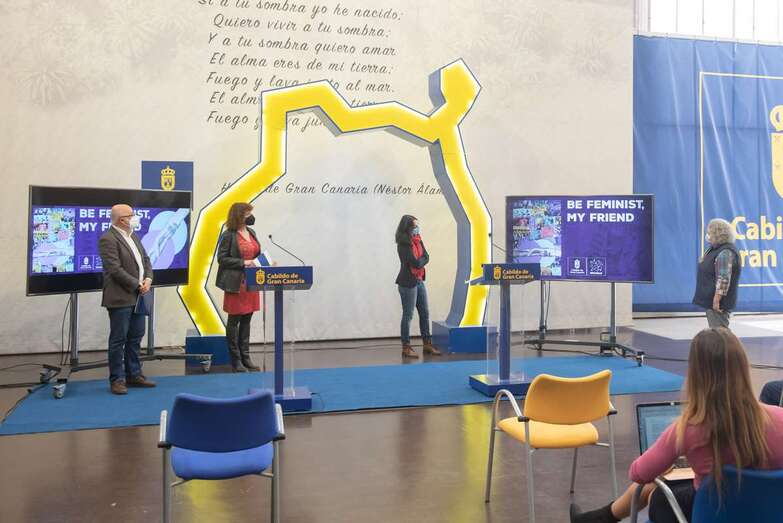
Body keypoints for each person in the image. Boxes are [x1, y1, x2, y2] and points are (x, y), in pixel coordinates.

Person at [570, 327, 783, 523]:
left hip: (713, 512)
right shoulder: (779, 417)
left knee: (657, 491)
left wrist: (677, 462)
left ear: (696, 374)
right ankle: (597, 519)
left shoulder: (689, 428)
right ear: (742, 368)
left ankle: (599, 519)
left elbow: (638, 473)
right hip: (768, 512)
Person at [99, 204, 157, 395]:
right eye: (131, 215)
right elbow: (114, 269)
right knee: (118, 340)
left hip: (139, 296)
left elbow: (146, 260)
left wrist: (148, 279)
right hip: (120, 297)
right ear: (121, 220)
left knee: (135, 337)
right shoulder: (108, 238)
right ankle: (117, 379)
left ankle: (134, 374)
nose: (135, 217)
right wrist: (137, 285)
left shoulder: (133, 236)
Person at [215, 202, 262, 372]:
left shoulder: (252, 232)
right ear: (239, 216)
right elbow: (222, 259)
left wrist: (265, 261)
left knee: (247, 320)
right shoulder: (228, 235)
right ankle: (236, 360)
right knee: (234, 321)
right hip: (236, 284)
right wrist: (244, 262)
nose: (251, 217)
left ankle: (246, 357)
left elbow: (256, 255)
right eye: (248, 214)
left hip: (251, 283)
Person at [395, 215, 440, 359]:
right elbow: (416, 263)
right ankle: (406, 347)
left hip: (419, 280)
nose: (417, 228)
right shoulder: (403, 244)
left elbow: (427, 256)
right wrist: (422, 261)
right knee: (408, 315)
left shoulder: (418, 239)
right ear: (407, 227)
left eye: (417, 225)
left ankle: (427, 344)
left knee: (425, 313)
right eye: (414, 226)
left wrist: (421, 261)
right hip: (407, 282)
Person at [692, 218, 741, 328]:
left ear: (717, 234)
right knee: (717, 331)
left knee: (719, 332)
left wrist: (716, 300)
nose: (707, 236)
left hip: (719, 303)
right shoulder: (714, 249)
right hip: (710, 299)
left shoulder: (725, 252)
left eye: (709, 233)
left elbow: (723, 278)